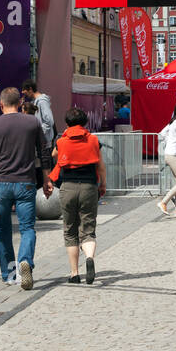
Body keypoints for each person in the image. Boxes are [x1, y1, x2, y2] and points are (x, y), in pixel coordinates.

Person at [0, 87, 52, 289]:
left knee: (3, 230)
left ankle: (9, 274)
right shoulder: (32, 122)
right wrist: (47, 180)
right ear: (20, 103)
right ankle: (25, 260)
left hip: (2, 184)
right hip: (26, 183)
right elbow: (44, 153)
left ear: (1, 104)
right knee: (27, 228)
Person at [49, 106, 106, 284]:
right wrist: (103, 184)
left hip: (68, 187)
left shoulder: (62, 141)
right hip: (89, 187)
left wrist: (65, 135)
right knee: (88, 228)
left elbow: (54, 156)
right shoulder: (94, 140)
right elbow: (101, 166)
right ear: (85, 123)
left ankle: (74, 273)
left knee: (70, 229)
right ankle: (89, 258)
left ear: (67, 123)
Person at [21, 80, 56, 146]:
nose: (25, 95)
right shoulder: (35, 101)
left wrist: (39, 133)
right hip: (41, 142)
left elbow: (49, 121)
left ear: (30, 89)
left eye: (25, 93)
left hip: (45, 143)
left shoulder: (42, 102)